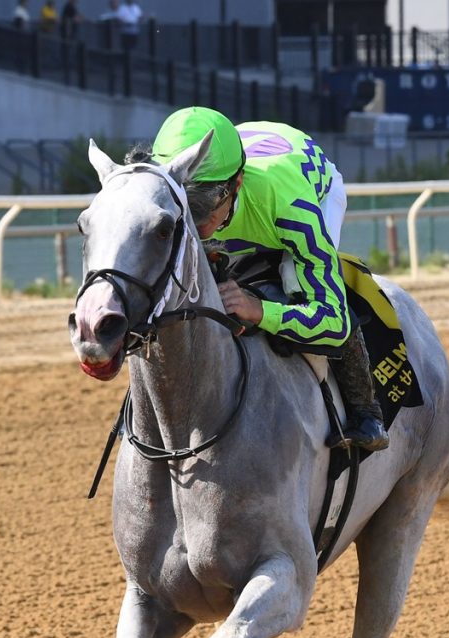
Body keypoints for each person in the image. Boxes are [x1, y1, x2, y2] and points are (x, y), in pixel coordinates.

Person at [149, 107, 389, 451]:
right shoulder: (176, 200)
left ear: (237, 183)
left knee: (293, 282)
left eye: (206, 203)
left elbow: (333, 322)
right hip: (247, 160)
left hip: (310, 188)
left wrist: (260, 310)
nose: (197, 221)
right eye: (187, 203)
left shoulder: (291, 205)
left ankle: (367, 413)